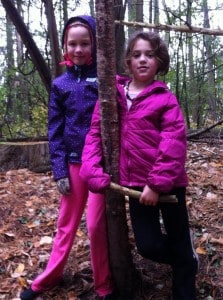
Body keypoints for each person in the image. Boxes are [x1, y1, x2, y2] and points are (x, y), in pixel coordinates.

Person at [80, 30, 199, 300]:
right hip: (133, 185)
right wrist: (92, 170)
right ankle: (185, 258)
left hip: (169, 186)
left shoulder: (165, 98)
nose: (143, 60)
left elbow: (173, 142)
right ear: (128, 61)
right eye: (137, 55)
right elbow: (95, 134)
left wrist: (156, 184)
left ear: (160, 61)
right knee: (149, 246)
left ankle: (185, 278)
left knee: (179, 238)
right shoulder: (112, 96)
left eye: (150, 54)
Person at [20, 15, 116, 300]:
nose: (78, 49)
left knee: (97, 226)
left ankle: (104, 286)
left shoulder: (106, 79)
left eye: (85, 43)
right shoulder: (60, 84)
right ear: (64, 47)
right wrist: (59, 171)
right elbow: (55, 130)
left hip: (99, 164)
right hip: (73, 164)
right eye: (72, 44)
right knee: (66, 225)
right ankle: (46, 279)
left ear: (95, 44)